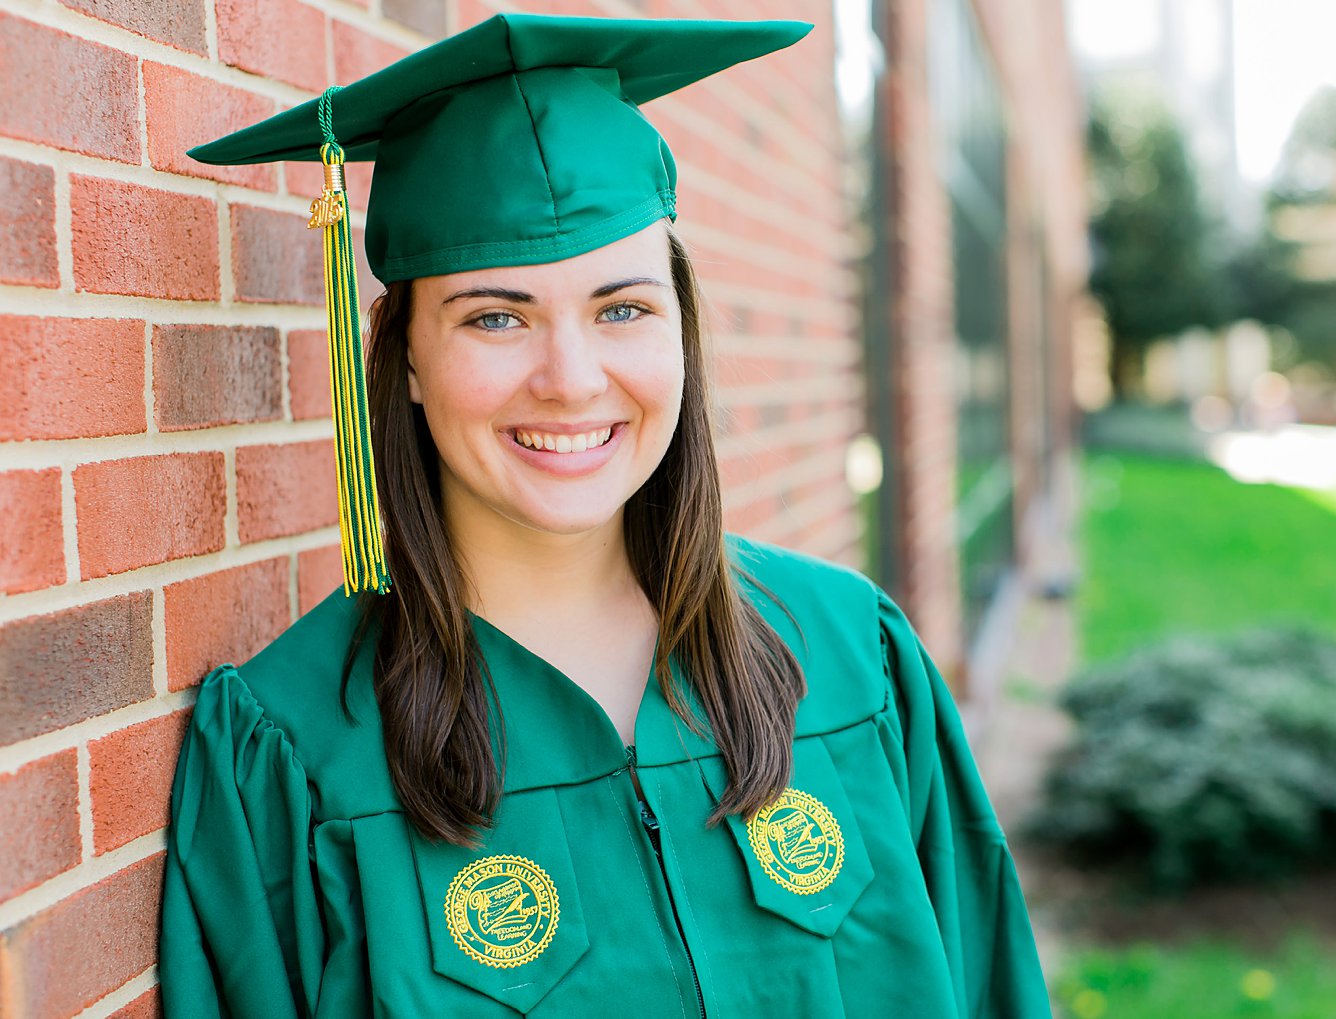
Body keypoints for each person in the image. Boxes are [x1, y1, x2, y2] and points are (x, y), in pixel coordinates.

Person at [159, 12, 1051, 1018]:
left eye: (621, 308)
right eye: (496, 316)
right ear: (405, 356)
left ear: (681, 331)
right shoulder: (297, 752)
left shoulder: (854, 656)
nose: (570, 380)